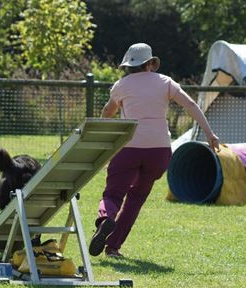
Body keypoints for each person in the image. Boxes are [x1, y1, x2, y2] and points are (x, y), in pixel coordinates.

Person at [88, 43, 220, 258]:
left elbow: (108, 112)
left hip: (129, 148)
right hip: (159, 152)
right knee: (137, 196)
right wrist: (210, 134)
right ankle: (113, 247)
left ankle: (105, 220)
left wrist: (105, 139)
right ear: (150, 63)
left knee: (113, 193)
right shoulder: (165, 82)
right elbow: (191, 106)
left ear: (129, 66)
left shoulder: (122, 85)